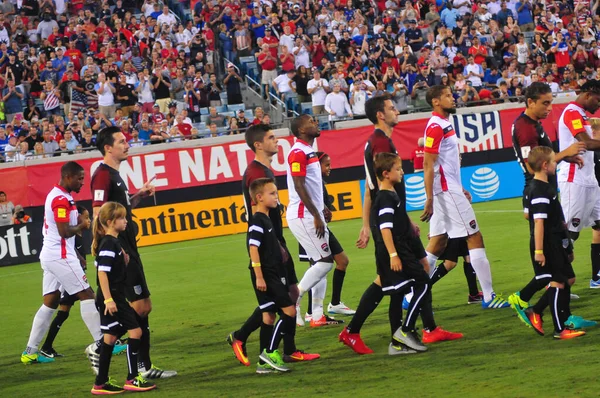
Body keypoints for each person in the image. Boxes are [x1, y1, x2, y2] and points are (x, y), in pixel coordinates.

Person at [340, 94, 461, 355]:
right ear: (380, 115)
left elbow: (371, 186)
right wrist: (371, 223)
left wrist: (402, 218)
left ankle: (417, 330)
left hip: (395, 216)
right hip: (389, 219)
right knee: (398, 279)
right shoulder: (380, 143)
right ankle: (387, 333)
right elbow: (375, 186)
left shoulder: (378, 141)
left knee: (408, 274)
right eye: (392, 108)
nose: (397, 111)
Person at [227, 124, 318, 367]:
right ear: (258, 144)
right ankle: (260, 347)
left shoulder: (264, 169)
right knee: (276, 306)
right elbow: (255, 218)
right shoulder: (255, 174)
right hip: (270, 248)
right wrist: (274, 246)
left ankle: (280, 349)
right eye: (270, 137)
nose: (276, 140)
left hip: (277, 243)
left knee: (290, 294)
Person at [91, 127, 176, 379]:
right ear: (108, 148)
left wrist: (137, 196)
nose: (126, 145)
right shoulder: (102, 176)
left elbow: (118, 213)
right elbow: (98, 215)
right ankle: (107, 350)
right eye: (121, 141)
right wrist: (110, 248)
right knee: (138, 307)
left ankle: (144, 365)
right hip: (121, 252)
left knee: (144, 307)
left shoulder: (117, 175)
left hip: (129, 249)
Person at [420, 86, 509, 309]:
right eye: (448, 96)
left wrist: (459, 186)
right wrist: (429, 197)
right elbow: (428, 164)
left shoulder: (443, 125)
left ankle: (412, 296)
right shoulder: (436, 127)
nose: (454, 98)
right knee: (474, 237)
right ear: (435, 102)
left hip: (449, 189)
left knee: (437, 242)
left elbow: (444, 164)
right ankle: (488, 296)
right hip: (445, 192)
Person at [508, 82, 587, 323]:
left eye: (551, 102)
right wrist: (565, 154)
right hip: (539, 193)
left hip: (547, 191)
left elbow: (544, 160)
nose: (549, 108)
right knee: (557, 270)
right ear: (530, 102)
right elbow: (534, 164)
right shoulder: (525, 129)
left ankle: (558, 313)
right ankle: (527, 301)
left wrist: (565, 158)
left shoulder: (532, 124)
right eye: (545, 103)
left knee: (563, 267)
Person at [21, 162, 102, 373]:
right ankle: (103, 343)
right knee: (87, 294)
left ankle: (30, 351)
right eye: (79, 178)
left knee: (50, 302)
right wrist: (83, 226)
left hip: (53, 254)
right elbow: (65, 231)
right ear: (67, 177)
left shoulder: (61, 195)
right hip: (59, 256)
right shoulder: (60, 199)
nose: (82, 182)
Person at [245, 178, 318, 374]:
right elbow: (253, 248)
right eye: (272, 194)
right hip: (267, 275)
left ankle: (263, 363)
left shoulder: (267, 218)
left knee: (270, 316)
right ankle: (269, 352)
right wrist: (259, 276)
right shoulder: (258, 220)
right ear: (259, 197)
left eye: (276, 193)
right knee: (289, 312)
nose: (276, 197)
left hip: (274, 274)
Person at [40, 206, 127, 359]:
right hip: (70, 275)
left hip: (75, 275)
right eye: (85, 217)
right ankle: (104, 341)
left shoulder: (78, 235)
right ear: (77, 217)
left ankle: (47, 346)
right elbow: (69, 251)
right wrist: (80, 261)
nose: (88, 221)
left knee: (64, 312)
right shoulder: (72, 234)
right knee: (91, 300)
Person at [521, 146, 587, 339]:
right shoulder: (539, 190)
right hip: (548, 243)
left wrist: (567, 243)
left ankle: (537, 311)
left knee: (569, 279)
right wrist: (539, 251)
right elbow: (538, 222)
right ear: (544, 165)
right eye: (553, 161)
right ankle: (560, 329)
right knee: (557, 281)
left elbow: (556, 218)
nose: (555, 164)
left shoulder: (546, 187)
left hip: (557, 240)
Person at [369, 152, 432, 354]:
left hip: (395, 249)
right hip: (397, 251)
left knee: (396, 296)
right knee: (423, 283)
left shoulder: (390, 194)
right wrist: (394, 255)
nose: (402, 172)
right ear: (386, 173)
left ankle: (396, 345)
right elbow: (385, 228)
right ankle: (404, 331)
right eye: (398, 169)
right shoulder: (386, 197)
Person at [91, 201, 157, 394]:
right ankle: (132, 378)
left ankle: (100, 383)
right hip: (112, 297)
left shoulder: (113, 242)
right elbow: (102, 273)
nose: (126, 221)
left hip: (111, 295)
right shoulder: (110, 243)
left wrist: (123, 262)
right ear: (111, 222)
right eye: (121, 217)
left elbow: (107, 269)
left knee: (110, 338)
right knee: (136, 332)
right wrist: (109, 300)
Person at [285, 115, 335, 326]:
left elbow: (312, 185)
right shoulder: (298, 152)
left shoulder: (308, 152)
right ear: (301, 130)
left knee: (321, 262)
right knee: (325, 263)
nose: (316, 123)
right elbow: (299, 186)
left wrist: (322, 207)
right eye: (311, 122)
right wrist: (315, 214)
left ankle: (317, 315)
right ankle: (295, 299)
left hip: (311, 213)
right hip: (302, 215)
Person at [299, 151, 355, 327]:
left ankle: (332, 305)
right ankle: (312, 312)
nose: (330, 168)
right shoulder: (310, 183)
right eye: (326, 165)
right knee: (319, 267)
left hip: (321, 226)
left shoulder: (319, 184)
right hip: (310, 227)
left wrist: (325, 210)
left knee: (341, 261)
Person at [555, 80, 600, 289]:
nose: (598, 105)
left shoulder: (581, 114)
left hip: (589, 179)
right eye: (598, 100)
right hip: (574, 179)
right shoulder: (572, 112)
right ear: (589, 94)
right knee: (569, 233)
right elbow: (587, 143)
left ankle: (596, 277)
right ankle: (555, 282)